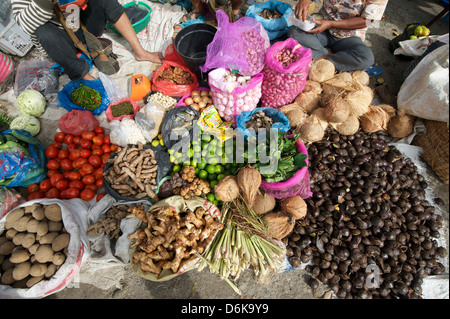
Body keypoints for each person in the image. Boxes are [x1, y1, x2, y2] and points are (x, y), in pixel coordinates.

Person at [11, 0, 163, 81]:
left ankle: (140, 51)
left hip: (83, 26)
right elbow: (26, 25)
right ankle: (84, 76)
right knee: (43, 32)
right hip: (61, 43)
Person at [288, 0, 388, 72]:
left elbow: (366, 21)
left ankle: (323, 58)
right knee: (294, 31)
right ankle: (330, 57)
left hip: (349, 37)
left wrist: (331, 24)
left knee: (366, 58)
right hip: (321, 27)